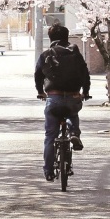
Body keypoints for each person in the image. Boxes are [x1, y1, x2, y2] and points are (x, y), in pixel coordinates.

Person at [35, 23, 91, 181]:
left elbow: (38, 75)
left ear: (50, 38)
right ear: (67, 37)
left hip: (54, 98)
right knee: (72, 112)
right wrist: (85, 92)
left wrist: (40, 91)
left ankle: (49, 171)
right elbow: (85, 74)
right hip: (73, 97)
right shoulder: (75, 53)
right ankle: (74, 133)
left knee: (50, 136)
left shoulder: (46, 54)